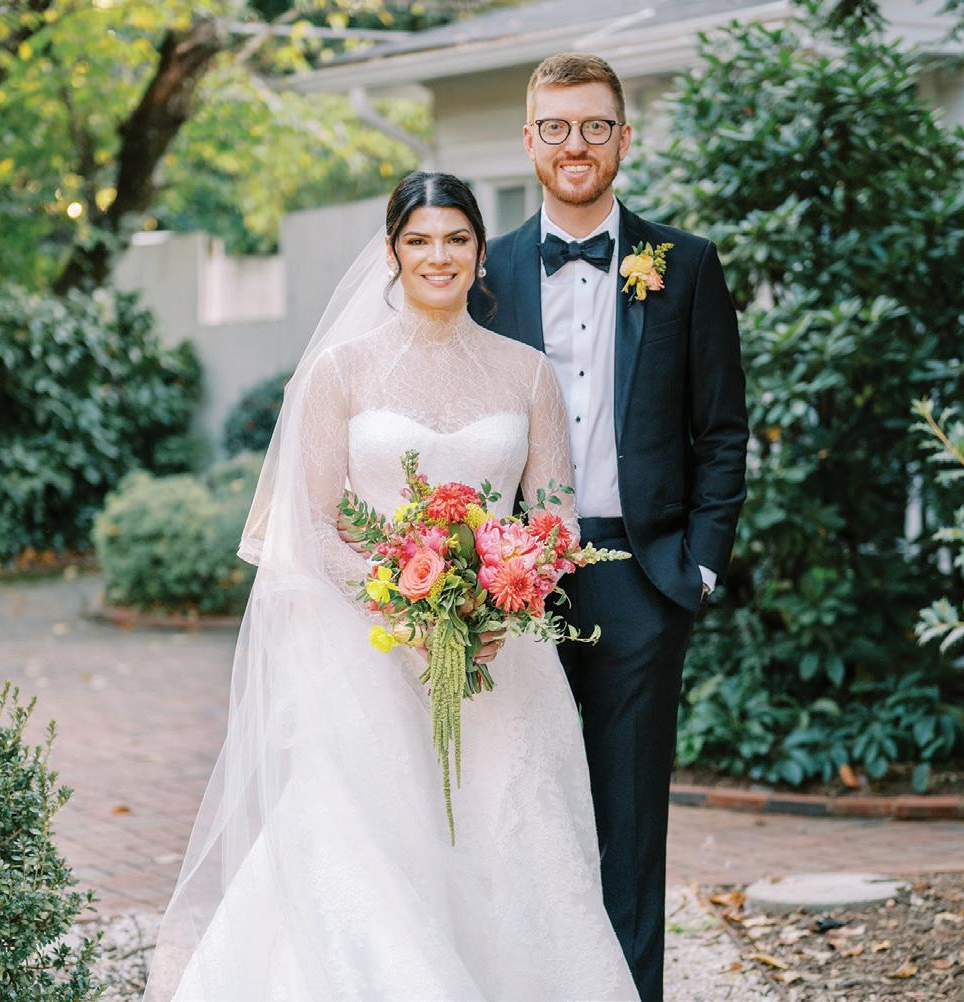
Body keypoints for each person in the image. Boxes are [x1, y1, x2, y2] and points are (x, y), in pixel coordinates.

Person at [140, 171, 640, 1001]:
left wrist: (498, 598)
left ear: (480, 252)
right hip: (367, 658)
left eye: (456, 239)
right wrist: (406, 610)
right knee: (374, 855)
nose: (438, 256)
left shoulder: (526, 375)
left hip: (499, 657)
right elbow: (313, 528)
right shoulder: (340, 372)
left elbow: (555, 521)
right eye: (419, 240)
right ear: (391, 252)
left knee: (512, 847)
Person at [468, 53, 749, 1002]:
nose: (575, 144)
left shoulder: (686, 265)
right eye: (555, 127)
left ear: (624, 138)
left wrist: (698, 566)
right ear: (529, 140)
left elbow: (721, 429)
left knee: (629, 822)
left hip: (642, 574)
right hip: (516, 581)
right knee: (521, 810)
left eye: (594, 125)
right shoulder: (487, 270)